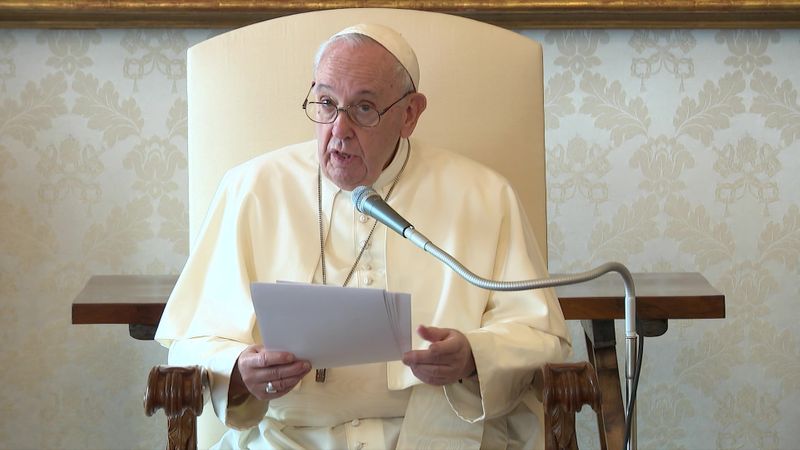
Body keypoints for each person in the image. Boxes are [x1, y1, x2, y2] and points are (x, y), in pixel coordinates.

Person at [156, 23, 570, 450]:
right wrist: (240, 368)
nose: (339, 129)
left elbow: (542, 339)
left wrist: (473, 357)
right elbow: (189, 343)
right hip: (291, 439)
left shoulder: (483, 194)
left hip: (444, 437)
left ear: (410, 114)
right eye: (326, 103)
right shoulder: (251, 189)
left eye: (364, 109)